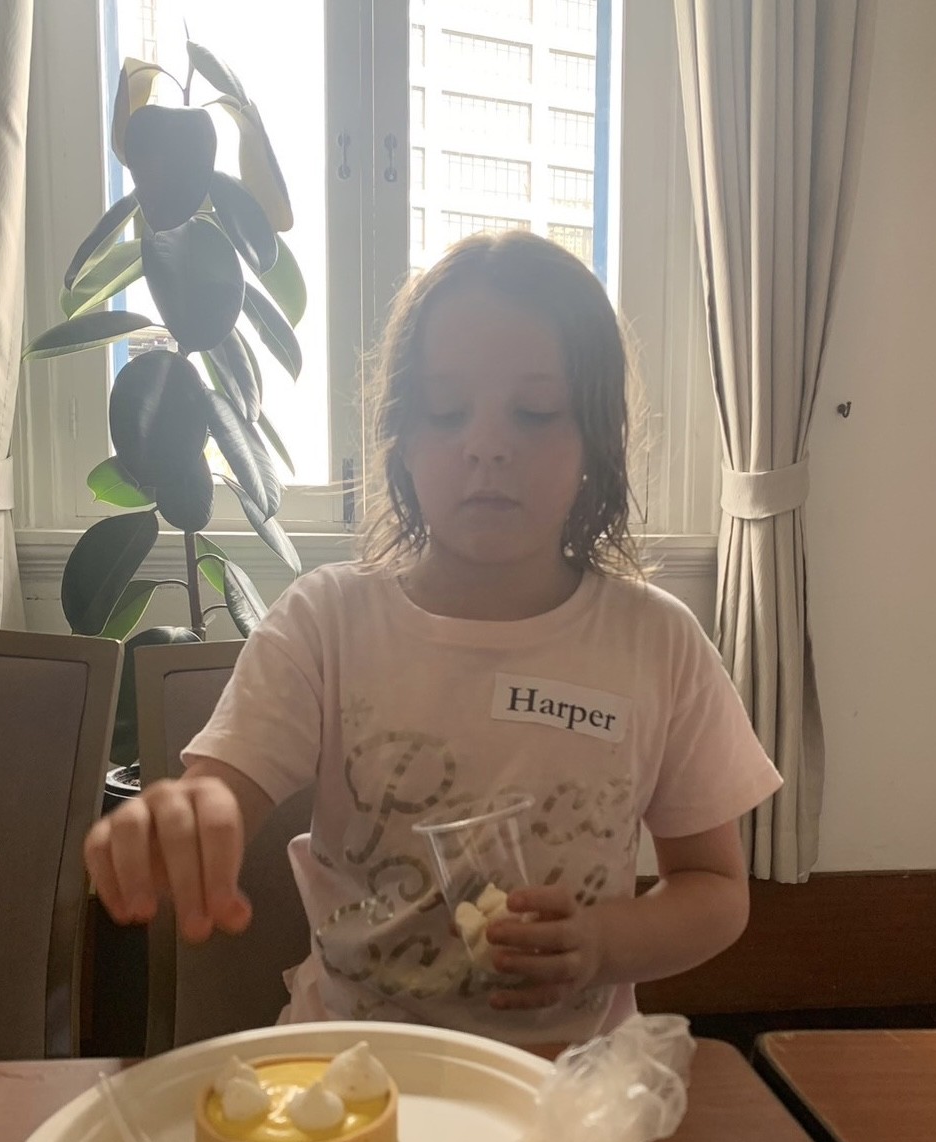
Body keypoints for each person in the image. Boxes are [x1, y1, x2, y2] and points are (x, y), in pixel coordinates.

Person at [85, 231, 782, 1046]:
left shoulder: (656, 642)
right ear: (402, 443)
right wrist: (183, 814)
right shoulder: (326, 621)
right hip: (356, 1067)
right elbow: (220, 789)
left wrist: (602, 942)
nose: (486, 443)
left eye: (535, 412)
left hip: (565, 1079)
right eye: (446, 411)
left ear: (596, 440)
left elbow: (714, 888)